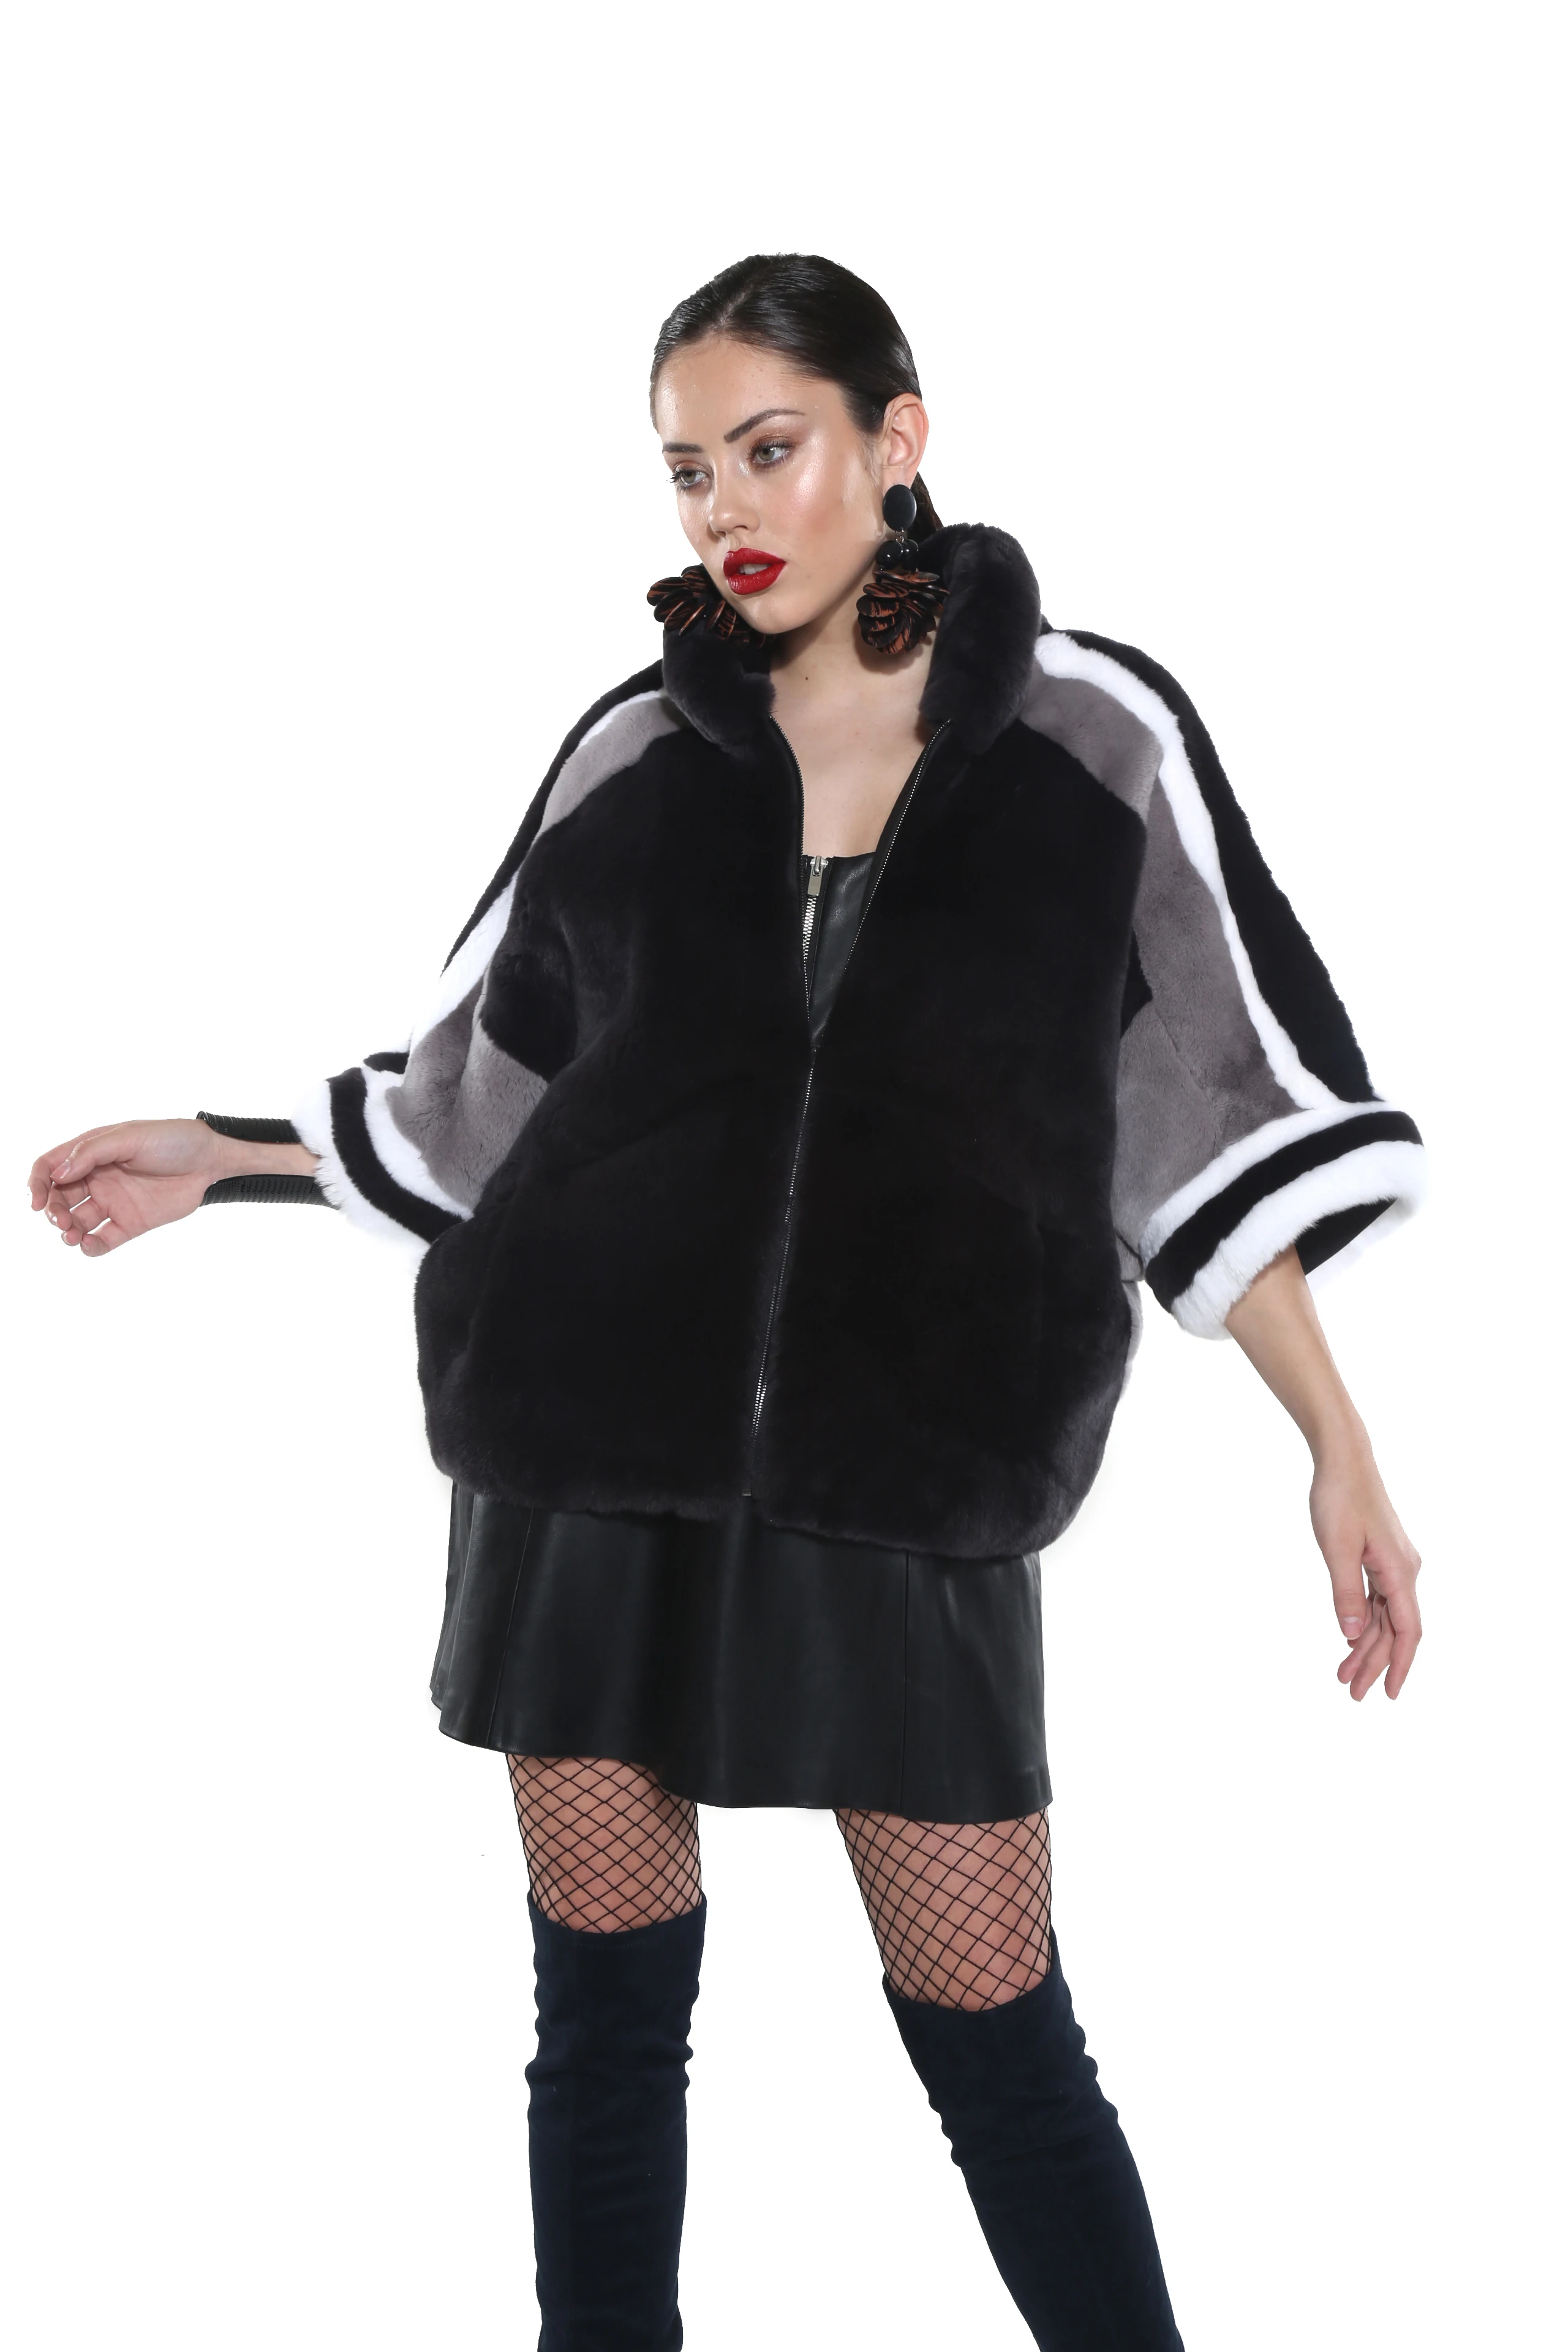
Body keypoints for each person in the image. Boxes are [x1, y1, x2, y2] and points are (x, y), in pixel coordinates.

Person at [28, 252, 1425, 2351]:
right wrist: (216, 1153)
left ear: (898, 438)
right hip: (586, 1466)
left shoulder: (1091, 736)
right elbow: (479, 1099)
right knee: (607, 2037)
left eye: (771, 450)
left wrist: (1340, 1448)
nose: (727, 510)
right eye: (689, 471)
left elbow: (1202, 1110)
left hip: (913, 1476)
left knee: (1003, 2052)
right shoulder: (636, 748)